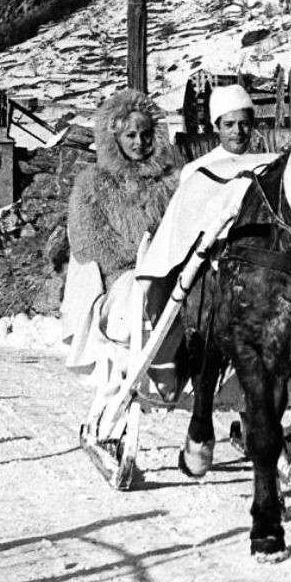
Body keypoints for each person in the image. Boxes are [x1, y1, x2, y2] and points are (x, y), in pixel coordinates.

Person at [63, 89, 182, 401]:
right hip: (119, 277)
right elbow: (89, 241)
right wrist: (139, 258)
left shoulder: (169, 183)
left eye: (146, 134)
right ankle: (128, 370)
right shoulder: (93, 183)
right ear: (114, 137)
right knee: (134, 292)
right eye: (131, 135)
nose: (139, 142)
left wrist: (163, 258)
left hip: (166, 272)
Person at [179, 83, 259, 183]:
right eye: (229, 124)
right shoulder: (195, 172)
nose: (237, 131)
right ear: (217, 127)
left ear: (251, 125)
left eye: (244, 123)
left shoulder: (266, 166)